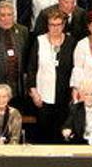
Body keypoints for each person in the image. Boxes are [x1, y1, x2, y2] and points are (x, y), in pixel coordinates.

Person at [27, 8, 75, 143]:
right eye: (51, 24)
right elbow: (31, 69)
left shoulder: (71, 42)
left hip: (64, 98)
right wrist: (34, 92)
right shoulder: (39, 41)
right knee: (43, 134)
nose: (55, 28)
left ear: (63, 25)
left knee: (61, 134)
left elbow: (74, 69)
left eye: (58, 24)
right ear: (47, 25)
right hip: (43, 97)